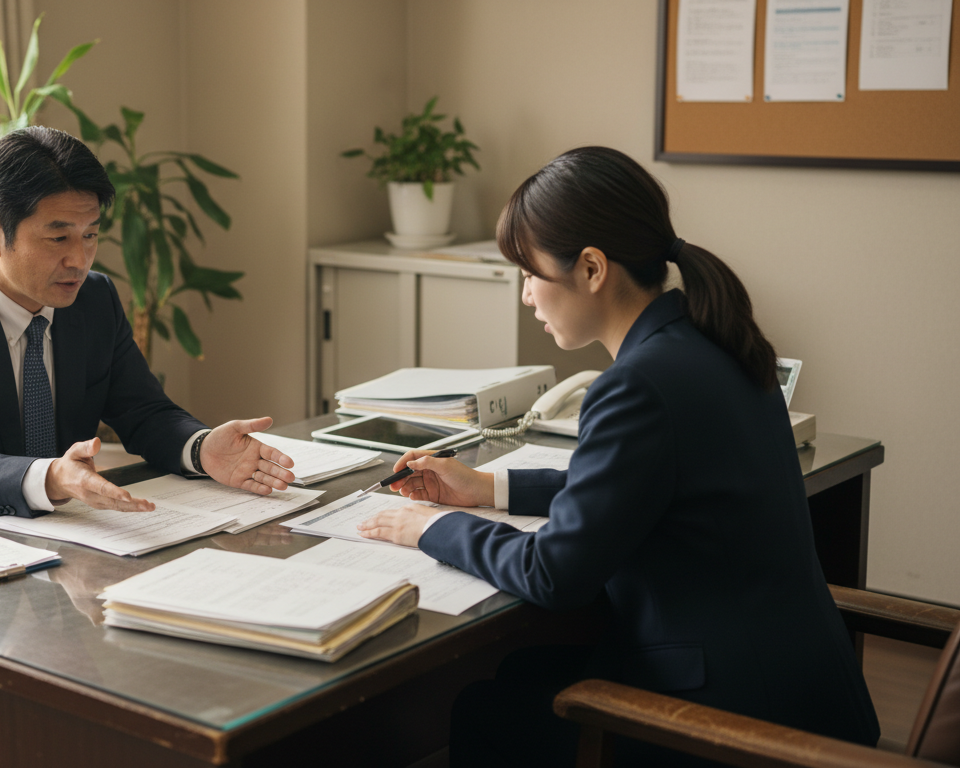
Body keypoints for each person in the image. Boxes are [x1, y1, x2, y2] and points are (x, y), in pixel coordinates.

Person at [356, 147, 878, 766]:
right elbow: (641, 486)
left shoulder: (636, 385)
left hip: (726, 720)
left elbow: (554, 574)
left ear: (592, 269)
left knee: (485, 708)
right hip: (800, 689)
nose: (527, 297)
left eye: (530, 274)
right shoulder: (715, 341)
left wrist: (432, 528)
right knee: (520, 672)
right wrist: (486, 490)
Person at [0, 126, 293, 521]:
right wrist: (50, 476)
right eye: (58, 238)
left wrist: (200, 449)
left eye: (90, 234)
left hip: (58, 533)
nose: (79, 259)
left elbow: (143, 412)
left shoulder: (94, 299)